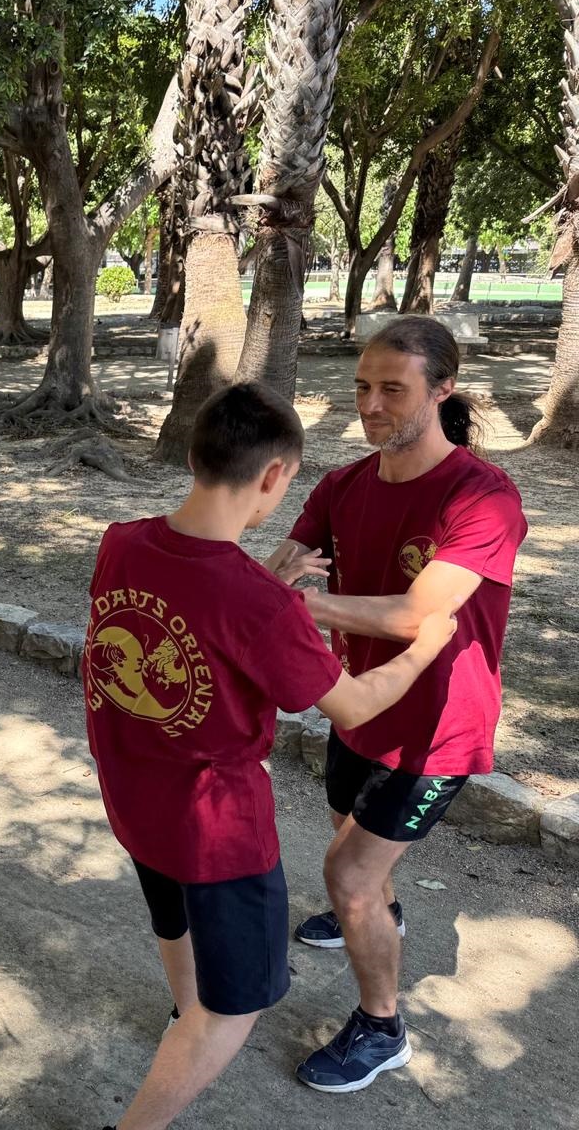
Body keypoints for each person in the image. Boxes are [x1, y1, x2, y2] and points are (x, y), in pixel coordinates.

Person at [85, 383, 460, 1130]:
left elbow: (204, 590)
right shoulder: (262, 606)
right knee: (241, 1002)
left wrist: (269, 588)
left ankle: (184, 1018)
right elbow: (352, 703)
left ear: (193, 456)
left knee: (173, 919)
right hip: (218, 833)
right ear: (275, 478)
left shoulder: (121, 539)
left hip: (134, 798)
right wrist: (425, 648)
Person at [263, 315, 527, 1094]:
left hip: (437, 729)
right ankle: (381, 908)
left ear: (442, 392)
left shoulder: (484, 498)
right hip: (359, 705)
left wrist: (300, 606)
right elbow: (284, 565)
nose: (370, 405)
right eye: (362, 387)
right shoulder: (343, 484)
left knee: (345, 873)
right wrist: (282, 587)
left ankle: (382, 1029)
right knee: (352, 834)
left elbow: (418, 615)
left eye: (392, 390)